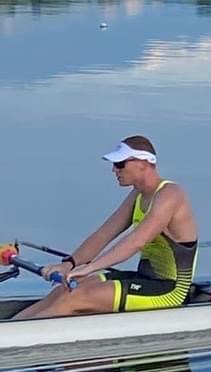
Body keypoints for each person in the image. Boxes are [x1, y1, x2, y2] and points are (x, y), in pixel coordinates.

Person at [13, 136, 199, 320]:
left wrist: (90, 268)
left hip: (172, 290)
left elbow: (137, 241)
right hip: (145, 279)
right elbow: (104, 234)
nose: (114, 170)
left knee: (75, 298)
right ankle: (11, 328)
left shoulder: (171, 194)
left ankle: (13, 339)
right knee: (64, 289)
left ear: (143, 163)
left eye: (120, 164)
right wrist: (69, 264)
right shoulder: (137, 195)